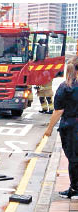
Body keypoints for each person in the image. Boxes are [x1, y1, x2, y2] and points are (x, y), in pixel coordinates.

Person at [44, 56, 78, 199]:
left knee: (74, 158)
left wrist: (49, 128)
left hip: (71, 127)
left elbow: (58, 111)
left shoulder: (66, 87)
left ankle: (75, 189)